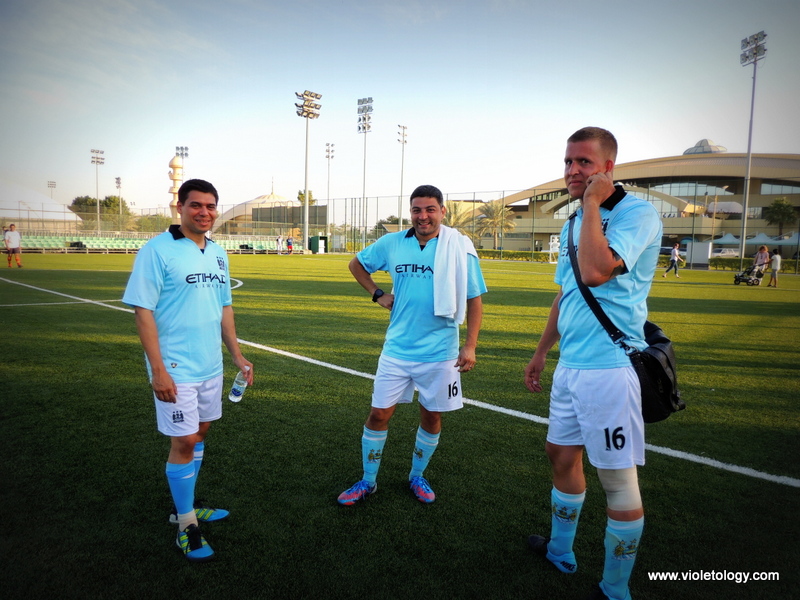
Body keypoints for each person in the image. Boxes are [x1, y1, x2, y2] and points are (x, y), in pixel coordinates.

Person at [524, 128, 662, 600]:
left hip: (609, 369)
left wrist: (590, 204)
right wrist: (542, 351)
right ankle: (560, 550)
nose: (572, 170)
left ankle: (615, 589)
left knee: (618, 482)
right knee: (560, 455)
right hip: (571, 367)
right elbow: (567, 293)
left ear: (608, 168)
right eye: (568, 162)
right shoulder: (573, 222)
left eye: (584, 162)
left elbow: (596, 271)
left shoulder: (636, 214)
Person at [122, 179, 253, 563]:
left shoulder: (218, 253)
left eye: (210, 206)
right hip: (175, 368)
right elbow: (142, 312)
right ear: (179, 207)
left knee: (199, 435)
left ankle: (188, 505)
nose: (204, 212)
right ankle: (185, 523)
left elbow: (224, 308)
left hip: (210, 365)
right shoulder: (156, 250)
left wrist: (237, 355)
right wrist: (158, 371)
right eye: (196, 205)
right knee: (183, 442)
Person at [338, 184, 487, 506]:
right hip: (397, 349)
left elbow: (474, 298)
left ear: (442, 211)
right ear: (410, 212)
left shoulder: (458, 247)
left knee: (431, 417)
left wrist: (470, 346)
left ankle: (417, 475)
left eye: (430, 209)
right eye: (417, 210)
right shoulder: (392, 242)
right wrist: (378, 294)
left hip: (441, 352)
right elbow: (356, 264)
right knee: (378, 414)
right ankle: (368, 481)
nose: (423, 216)